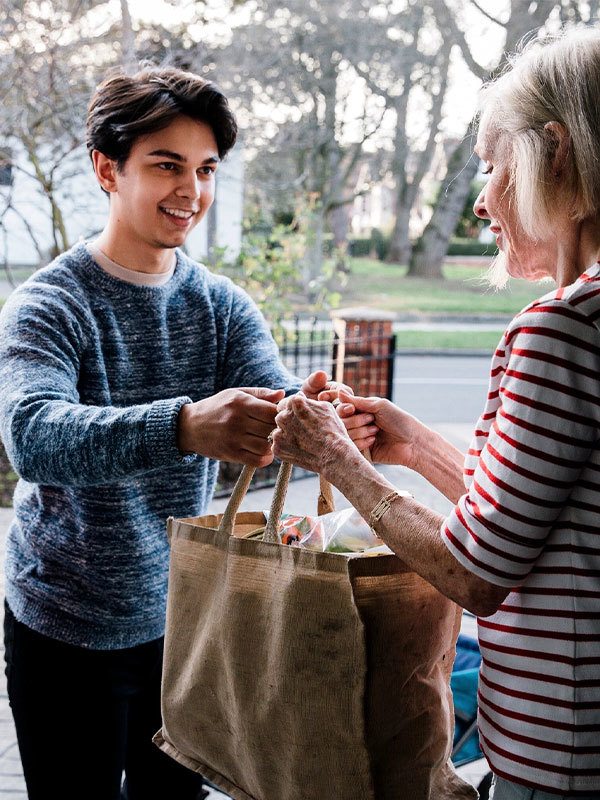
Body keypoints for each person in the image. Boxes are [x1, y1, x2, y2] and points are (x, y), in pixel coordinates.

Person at [272, 28, 600, 800]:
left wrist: (341, 463)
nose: (483, 198)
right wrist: (415, 445)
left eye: (492, 165)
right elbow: (538, 526)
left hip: (563, 757)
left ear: (556, 152)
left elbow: (478, 573)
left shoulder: (559, 328)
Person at [0, 66, 338, 800]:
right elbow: (33, 434)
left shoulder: (221, 305)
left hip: (187, 622)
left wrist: (313, 413)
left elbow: (274, 407)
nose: (192, 191)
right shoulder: (50, 304)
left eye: (206, 169)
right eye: (166, 166)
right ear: (105, 168)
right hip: (62, 625)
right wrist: (184, 426)